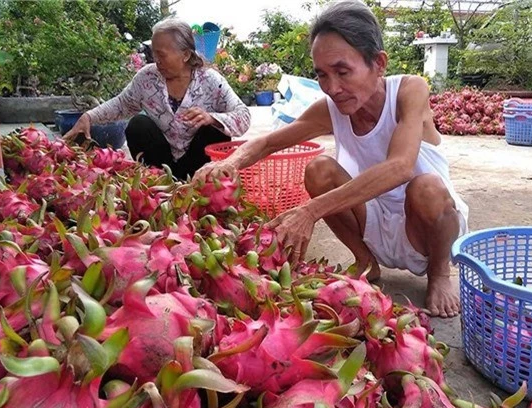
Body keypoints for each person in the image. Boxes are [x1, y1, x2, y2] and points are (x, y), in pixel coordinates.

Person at [194, 0, 469, 318]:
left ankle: (439, 274)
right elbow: (268, 142)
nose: (332, 88)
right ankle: (367, 261)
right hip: (377, 223)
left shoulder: (409, 91)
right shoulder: (331, 108)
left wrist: (309, 212)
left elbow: (401, 166)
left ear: (378, 64)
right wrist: (229, 163)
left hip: (431, 226)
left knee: (427, 187)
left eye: (343, 71)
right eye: (322, 75)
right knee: (319, 170)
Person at [63, 18, 251, 179]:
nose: (156, 60)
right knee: (138, 124)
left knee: (214, 131)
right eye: (154, 53)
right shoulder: (148, 77)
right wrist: (89, 117)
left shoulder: (211, 81)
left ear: (185, 55)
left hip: (199, 164)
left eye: (162, 55)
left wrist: (212, 118)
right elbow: (121, 104)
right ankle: (157, 183)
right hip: (161, 161)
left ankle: (200, 185)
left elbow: (243, 115)